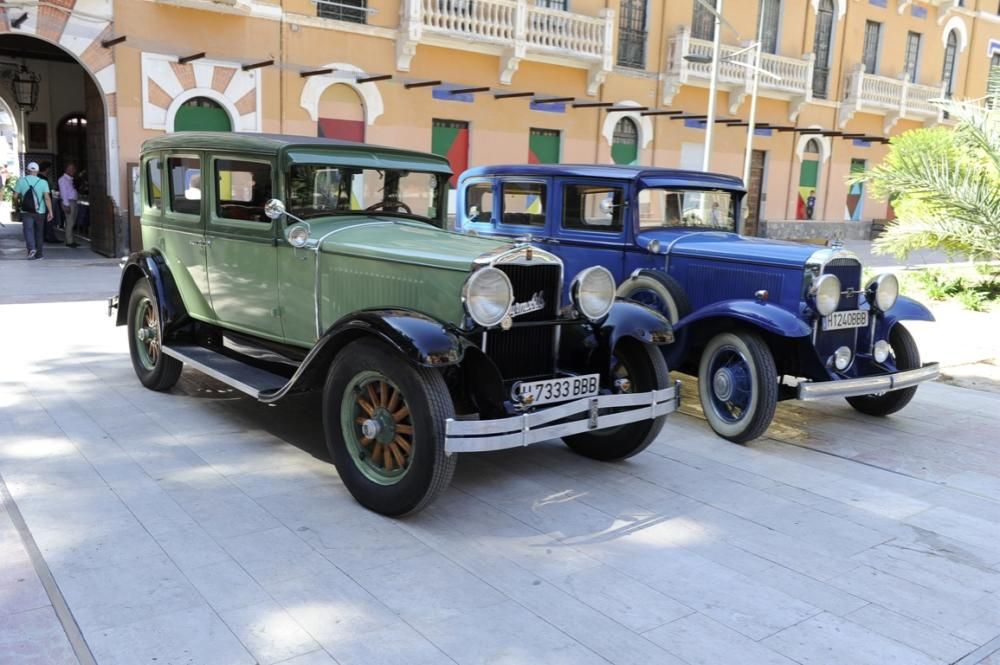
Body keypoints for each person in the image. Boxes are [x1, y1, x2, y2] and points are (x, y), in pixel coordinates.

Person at [13, 162, 53, 260]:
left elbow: (15, 196)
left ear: (27, 170)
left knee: (28, 230)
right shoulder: (43, 182)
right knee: (39, 232)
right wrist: (50, 211)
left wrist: (18, 205)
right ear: (38, 171)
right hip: (40, 212)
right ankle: (39, 254)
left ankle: (31, 248)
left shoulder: (21, 181)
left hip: (26, 211)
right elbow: (47, 198)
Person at [58, 163, 79, 248]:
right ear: (67, 170)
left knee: (72, 222)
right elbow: (63, 193)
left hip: (73, 202)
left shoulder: (69, 179)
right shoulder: (63, 180)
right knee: (69, 222)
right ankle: (69, 241)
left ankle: (71, 240)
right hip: (69, 202)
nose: (74, 170)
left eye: (74, 169)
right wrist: (66, 205)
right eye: (71, 169)